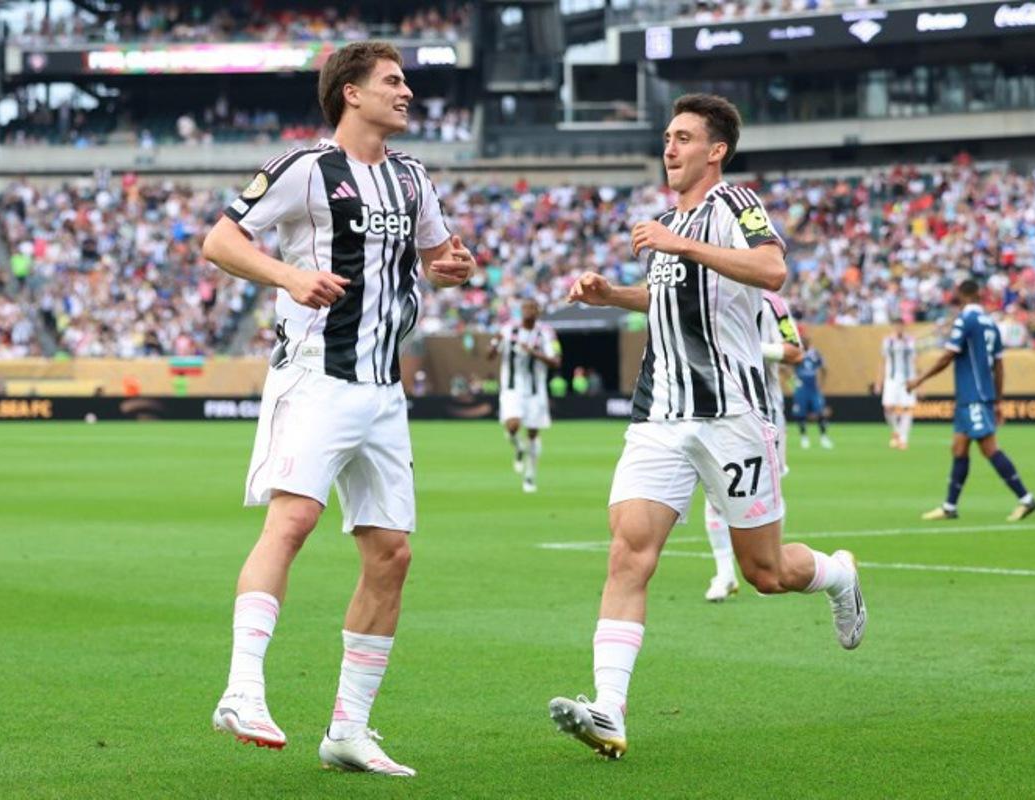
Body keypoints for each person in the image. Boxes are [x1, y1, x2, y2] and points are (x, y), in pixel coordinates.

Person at [548, 93, 866, 760]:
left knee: (766, 572)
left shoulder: (734, 206)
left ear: (715, 151)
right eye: (667, 136)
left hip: (730, 414)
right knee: (627, 552)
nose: (670, 147)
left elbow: (773, 268)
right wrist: (615, 295)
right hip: (659, 413)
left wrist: (679, 242)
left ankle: (838, 574)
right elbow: (673, 295)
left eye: (684, 137)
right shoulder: (667, 222)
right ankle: (608, 708)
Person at [201, 41, 475, 777]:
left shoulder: (414, 178)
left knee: (392, 554)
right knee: (292, 519)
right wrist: (288, 274)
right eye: (392, 81)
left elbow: (434, 261)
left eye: (406, 81)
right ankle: (242, 689)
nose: (407, 91)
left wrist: (448, 269)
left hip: (384, 390)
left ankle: (348, 729)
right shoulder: (305, 169)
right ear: (350, 94)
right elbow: (220, 240)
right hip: (318, 376)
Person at [907, 280, 1035, 522]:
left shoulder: (966, 320)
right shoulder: (991, 324)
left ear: (961, 295)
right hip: (976, 397)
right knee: (959, 447)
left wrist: (919, 379)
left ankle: (1026, 499)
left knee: (989, 449)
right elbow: (999, 366)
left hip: (973, 397)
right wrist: (998, 401)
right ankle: (949, 506)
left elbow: (948, 356)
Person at [704, 290, 803, 602]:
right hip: (718, 411)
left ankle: (771, 563)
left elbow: (794, 351)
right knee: (714, 492)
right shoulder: (710, 292)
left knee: (768, 492)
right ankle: (725, 574)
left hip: (764, 412)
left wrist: (749, 347)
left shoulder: (772, 304)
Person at [488, 299, 561, 492]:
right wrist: (494, 344)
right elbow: (489, 355)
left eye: (532, 308)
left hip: (535, 390)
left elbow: (556, 361)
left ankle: (530, 475)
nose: (528, 311)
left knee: (533, 433)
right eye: (525, 308)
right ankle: (518, 447)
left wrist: (534, 353)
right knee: (513, 425)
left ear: (538, 311)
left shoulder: (546, 332)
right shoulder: (507, 329)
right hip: (512, 388)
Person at [877, 320, 918, 449]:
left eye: (901, 326)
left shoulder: (910, 341)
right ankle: (896, 431)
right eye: (896, 326)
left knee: (908, 408)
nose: (899, 328)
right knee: (888, 407)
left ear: (903, 327)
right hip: (891, 379)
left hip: (908, 379)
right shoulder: (887, 341)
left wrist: (919, 382)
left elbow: (915, 361)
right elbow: (882, 362)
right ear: (894, 327)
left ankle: (903, 438)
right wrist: (879, 382)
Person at [793, 340, 832, 449]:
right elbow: (785, 368)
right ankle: (804, 438)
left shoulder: (815, 353)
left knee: (820, 412)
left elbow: (824, 369)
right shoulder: (795, 352)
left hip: (813, 388)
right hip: (801, 388)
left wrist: (821, 384)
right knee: (801, 414)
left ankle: (824, 437)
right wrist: (792, 383)